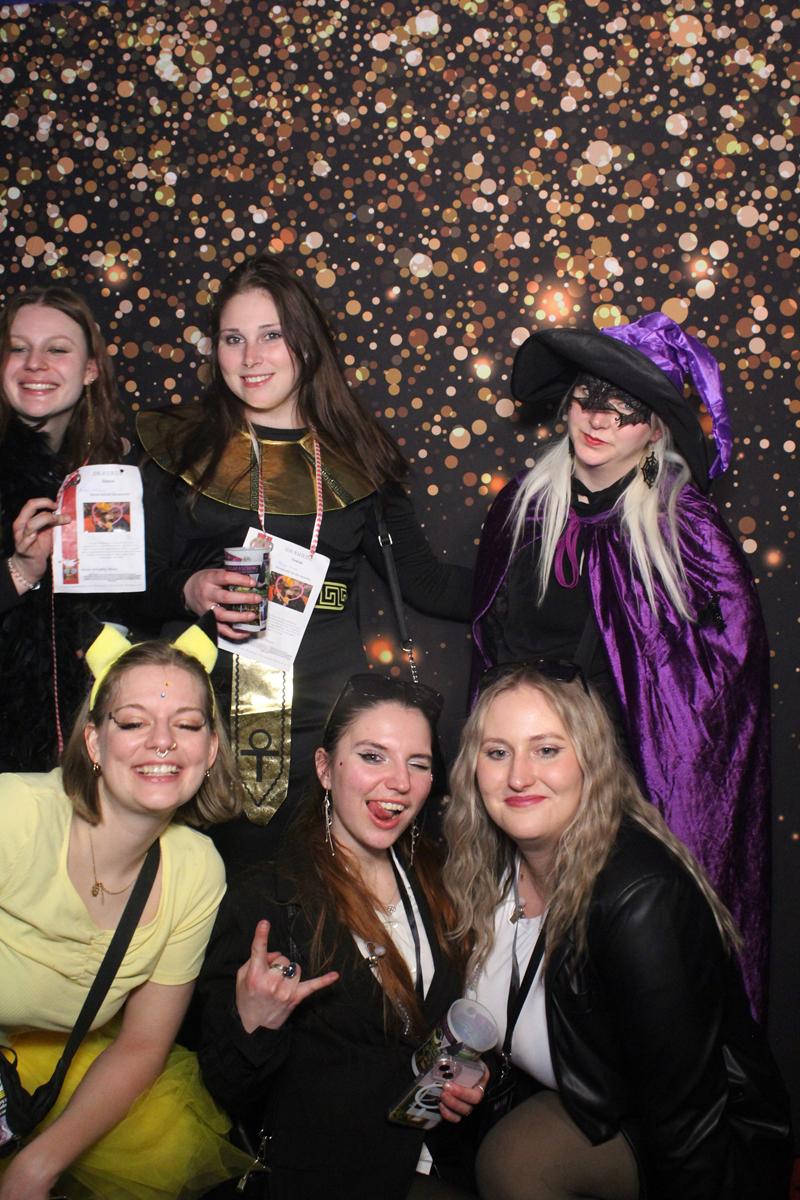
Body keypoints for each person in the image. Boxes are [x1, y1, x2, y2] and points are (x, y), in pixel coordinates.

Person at [471, 313, 770, 1018]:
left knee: (624, 990)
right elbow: (486, 627)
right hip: (525, 784)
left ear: (654, 429)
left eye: (625, 409)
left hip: (620, 800)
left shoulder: (685, 528)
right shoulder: (523, 507)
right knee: (514, 978)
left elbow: (725, 672)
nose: (598, 418)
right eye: (586, 397)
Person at [137, 254, 472, 873]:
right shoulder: (179, 447)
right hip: (201, 718)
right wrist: (188, 587)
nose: (250, 357)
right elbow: (125, 587)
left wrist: (553, 577)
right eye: (233, 339)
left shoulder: (355, 454)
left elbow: (426, 582)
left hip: (325, 722)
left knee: (314, 894)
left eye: (271, 335)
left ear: (306, 343)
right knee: (205, 892)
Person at [443, 663, 790, 1200]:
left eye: (547, 750)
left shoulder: (638, 896)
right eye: (497, 752)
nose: (518, 777)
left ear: (592, 759)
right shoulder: (486, 864)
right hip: (584, 1096)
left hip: (685, 1140)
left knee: (515, 1162)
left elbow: (689, 1118)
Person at [197, 674, 485, 1200]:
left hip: (435, 1165)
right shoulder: (268, 900)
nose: (399, 782)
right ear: (326, 768)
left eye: (418, 764)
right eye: (373, 756)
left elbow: (430, 1028)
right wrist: (255, 1022)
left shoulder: (440, 880)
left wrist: (461, 1077)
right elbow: (226, 1088)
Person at [0, 623, 250, 1200]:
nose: (162, 742)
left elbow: (141, 1045)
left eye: (187, 725)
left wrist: (35, 1168)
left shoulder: (197, 869)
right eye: (134, 723)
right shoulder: (16, 814)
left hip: (56, 1069)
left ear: (211, 749)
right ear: (93, 742)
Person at [0, 285, 127, 772]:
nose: (35, 363)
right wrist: (20, 570)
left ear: (90, 369)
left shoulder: (107, 472)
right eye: (17, 348)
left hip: (73, 752)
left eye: (56, 349)